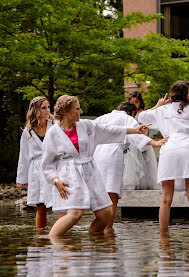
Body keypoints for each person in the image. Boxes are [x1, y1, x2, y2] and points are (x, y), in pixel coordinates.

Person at [41, 95, 149, 237]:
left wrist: (135, 130)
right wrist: (55, 181)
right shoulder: (53, 134)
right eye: (77, 109)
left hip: (90, 172)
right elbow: (46, 164)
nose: (81, 111)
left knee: (105, 213)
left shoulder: (86, 125)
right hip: (68, 176)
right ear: (67, 111)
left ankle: (95, 246)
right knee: (75, 214)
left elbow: (110, 130)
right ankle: (55, 245)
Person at [137, 81, 189, 231]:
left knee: (166, 198)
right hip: (188, 149)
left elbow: (141, 117)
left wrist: (158, 105)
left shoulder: (164, 110)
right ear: (183, 94)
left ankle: (163, 236)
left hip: (169, 149)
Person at [93, 101, 168, 231]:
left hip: (96, 156)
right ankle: (108, 229)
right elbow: (135, 136)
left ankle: (98, 228)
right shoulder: (127, 119)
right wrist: (155, 142)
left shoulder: (101, 118)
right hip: (112, 156)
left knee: (100, 194)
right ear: (133, 113)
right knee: (112, 194)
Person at [16, 96, 54, 229]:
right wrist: (21, 179)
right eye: (44, 108)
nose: (47, 110)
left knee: (61, 205)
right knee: (41, 207)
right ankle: (40, 240)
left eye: (48, 107)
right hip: (36, 170)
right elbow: (24, 156)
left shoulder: (55, 126)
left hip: (53, 167)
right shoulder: (28, 131)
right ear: (36, 110)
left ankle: (61, 241)